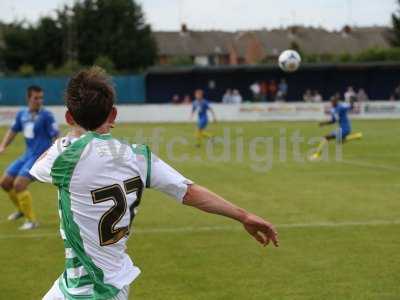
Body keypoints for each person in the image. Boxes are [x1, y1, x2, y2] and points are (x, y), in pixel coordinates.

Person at [29, 67, 278, 300]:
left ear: (69, 117)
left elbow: (38, 165)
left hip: (94, 290)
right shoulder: (138, 157)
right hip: (86, 284)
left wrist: (71, 134)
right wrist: (244, 216)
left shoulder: (63, 158)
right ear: (113, 113)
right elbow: (189, 192)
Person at [0, 85, 59, 230]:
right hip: (27, 155)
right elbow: (13, 131)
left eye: (41, 98)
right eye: (36, 98)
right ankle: (21, 210)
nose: (39, 101)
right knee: (5, 182)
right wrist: (2, 146)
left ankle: (32, 221)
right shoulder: (22, 114)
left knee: (19, 184)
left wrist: (56, 154)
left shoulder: (47, 116)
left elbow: (56, 136)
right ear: (28, 98)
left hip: (39, 157)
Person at [309, 95, 362, 161]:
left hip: (345, 128)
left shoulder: (341, 107)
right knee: (340, 141)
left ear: (336, 102)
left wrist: (352, 101)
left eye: (333, 102)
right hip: (342, 128)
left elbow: (351, 107)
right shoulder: (333, 110)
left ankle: (316, 155)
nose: (331, 103)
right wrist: (323, 123)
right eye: (331, 101)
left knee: (326, 137)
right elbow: (333, 121)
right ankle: (357, 136)